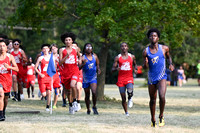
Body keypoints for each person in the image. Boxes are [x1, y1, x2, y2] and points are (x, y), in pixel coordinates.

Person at [142, 28, 174, 127]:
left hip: (162, 76)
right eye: (151, 36)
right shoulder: (146, 51)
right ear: (149, 38)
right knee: (152, 100)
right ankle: (153, 119)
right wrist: (145, 64)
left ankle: (161, 116)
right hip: (151, 78)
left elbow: (168, 57)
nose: (153, 37)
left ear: (158, 38)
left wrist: (171, 64)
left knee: (162, 96)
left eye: (155, 36)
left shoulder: (164, 48)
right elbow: (144, 67)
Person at [111, 42, 137, 116]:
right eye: (122, 46)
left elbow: (135, 64)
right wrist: (116, 69)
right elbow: (112, 69)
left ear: (127, 47)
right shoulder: (117, 57)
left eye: (125, 46)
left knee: (130, 91)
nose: (124, 47)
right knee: (123, 97)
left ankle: (130, 98)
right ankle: (126, 112)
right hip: (121, 79)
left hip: (129, 77)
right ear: (120, 48)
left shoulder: (131, 56)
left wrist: (135, 69)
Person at [59, 32, 81, 114]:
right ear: (64, 42)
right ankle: (71, 105)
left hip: (74, 70)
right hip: (66, 72)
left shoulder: (76, 49)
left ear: (72, 41)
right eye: (66, 40)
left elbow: (80, 56)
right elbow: (60, 63)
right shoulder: (62, 50)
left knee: (73, 85)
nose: (68, 41)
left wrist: (80, 60)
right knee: (68, 91)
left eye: (69, 40)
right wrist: (66, 57)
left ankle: (75, 101)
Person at [0, 39, 19, 121]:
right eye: (0, 46)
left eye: (3, 46)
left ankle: (3, 111)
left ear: (6, 48)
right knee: (1, 94)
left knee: (6, 98)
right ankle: (0, 114)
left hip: (7, 80)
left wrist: (9, 67)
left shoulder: (10, 57)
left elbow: (17, 69)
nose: (1, 48)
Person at [80, 43, 101, 115]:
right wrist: (83, 64)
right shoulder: (82, 57)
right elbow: (78, 67)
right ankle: (88, 108)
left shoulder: (94, 56)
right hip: (86, 78)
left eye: (90, 47)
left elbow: (97, 64)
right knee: (87, 94)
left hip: (93, 77)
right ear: (85, 48)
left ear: (92, 48)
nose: (89, 48)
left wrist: (98, 69)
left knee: (94, 92)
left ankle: (94, 106)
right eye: (87, 47)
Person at [35, 44, 54, 111]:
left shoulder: (51, 58)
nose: (45, 50)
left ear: (49, 49)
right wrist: (40, 74)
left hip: (49, 76)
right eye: (44, 49)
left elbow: (54, 67)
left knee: (49, 92)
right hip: (42, 77)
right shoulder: (40, 58)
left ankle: (47, 106)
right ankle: (41, 92)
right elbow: (35, 68)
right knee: (44, 94)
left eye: (47, 48)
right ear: (42, 50)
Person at [50, 44, 61, 109]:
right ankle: (48, 102)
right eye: (52, 49)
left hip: (58, 74)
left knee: (57, 90)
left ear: (57, 49)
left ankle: (54, 104)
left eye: (55, 48)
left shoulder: (59, 56)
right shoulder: (49, 57)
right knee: (49, 89)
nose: (54, 50)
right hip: (51, 74)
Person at [72, 42, 83, 111]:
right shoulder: (69, 55)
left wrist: (78, 56)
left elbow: (80, 63)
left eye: (75, 46)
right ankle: (74, 101)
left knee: (78, 87)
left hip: (79, 73)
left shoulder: (80, 55)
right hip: (71, 73)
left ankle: (78, 102)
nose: (73, 48)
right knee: (72, 88)